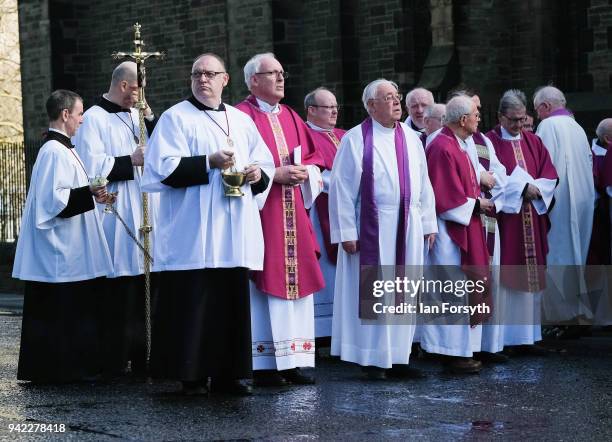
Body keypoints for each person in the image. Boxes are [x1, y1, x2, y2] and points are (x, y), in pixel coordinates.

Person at [141, 53, 275, 396]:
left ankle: (229, 374)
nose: (202, 79)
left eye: (209, 74)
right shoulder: (175, 118)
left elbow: (264, 161)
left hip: (233, 227)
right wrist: (208, 161)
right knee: (194, 301)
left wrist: (257, 173)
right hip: (194, 230)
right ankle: (192, 374)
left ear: (224, 80)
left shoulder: (241, 120)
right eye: (196, 73)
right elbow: (163, 168)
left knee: (230, 301)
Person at [329, 79, 437, 380]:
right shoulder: (355, 139)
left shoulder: (412, 139)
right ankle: (373, 359)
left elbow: (423, 183)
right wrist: (346, 232)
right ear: (371, 106)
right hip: (374, 226)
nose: (396, 101)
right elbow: (342, 188)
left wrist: (428, 222)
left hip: (408, 224)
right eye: (387, 97)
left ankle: (399, 357)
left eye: (396, 96)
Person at [13, 89, 113, 383]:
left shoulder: (65, 148)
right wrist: (90, 193)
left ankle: (64, 369)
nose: (83, 120)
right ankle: (64, 371)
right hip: (61, 253)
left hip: (69, 250)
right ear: (65, 114)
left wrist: (94, 196)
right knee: (63, 313)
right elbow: (53, 202)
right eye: (80, 113)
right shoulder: (54, 151)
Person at [236, 53, 325, 386]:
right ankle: (264, 363)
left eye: (281, 72)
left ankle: (294, 360)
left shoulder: (291, 115)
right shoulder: (240, 116)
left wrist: (308, 172)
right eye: (272, 73)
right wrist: (276, 174)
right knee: (264, 282)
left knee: (297, 282)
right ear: (253, 81)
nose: (280, 78)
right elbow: (239, 167)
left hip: (294, 215)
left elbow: (316, 159)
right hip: (263, 213)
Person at [73, 61, 159, 376]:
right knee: (122, 287)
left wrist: (148, 115)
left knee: (147, 284)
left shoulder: (137, 116)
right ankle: (116, 354)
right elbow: (90, 167)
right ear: (125, 85)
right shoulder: (94, 119)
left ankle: (145, 352)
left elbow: (161, 147)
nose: (141, 95)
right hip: (118, 213)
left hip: (148, 210)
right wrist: (129, 160)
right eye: (139, 88)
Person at [420, 95, 493, 374]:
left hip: (465, 224)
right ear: (463, 119)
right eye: (475, 114)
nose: (478, 118)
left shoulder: (461, 144)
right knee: (449, 290)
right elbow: (443, 195)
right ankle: (450, 352)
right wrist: (477, 204)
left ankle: (465, 349)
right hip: (449, 232)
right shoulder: (442, 146)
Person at [486, 89, 558, 355]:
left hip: (532, 218)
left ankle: (528, 337)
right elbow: (490, 177)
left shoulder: (534, 142)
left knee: (531, 277)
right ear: (500, 117)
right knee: (505, 277)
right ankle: (504, 339)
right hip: (508, 222)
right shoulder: (490, 142)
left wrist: (536, 188)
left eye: (521, 119)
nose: (518, 125)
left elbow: (549, 173)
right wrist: (520, 189)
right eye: (512, 120)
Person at [533, 86, 595, 329]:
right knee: (577, 256)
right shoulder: (577, 127)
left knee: (557, 255)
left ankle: (560, 316)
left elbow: (542, 165)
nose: (537, 116)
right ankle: (578, 312)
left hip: (559, 202)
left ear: (546, 107)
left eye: (537, 110)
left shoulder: (548, 126)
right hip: (582, 200)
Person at [304, 87, 346, 338]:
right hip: (322, 213)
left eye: (335, 107)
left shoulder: (345, 135)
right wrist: (346, 185)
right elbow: (314, 172)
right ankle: (325, 330)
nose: (333, 112)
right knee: (326, 271)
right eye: (327, 107)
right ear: (311, 110)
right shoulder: (305, 135)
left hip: (351, 212)